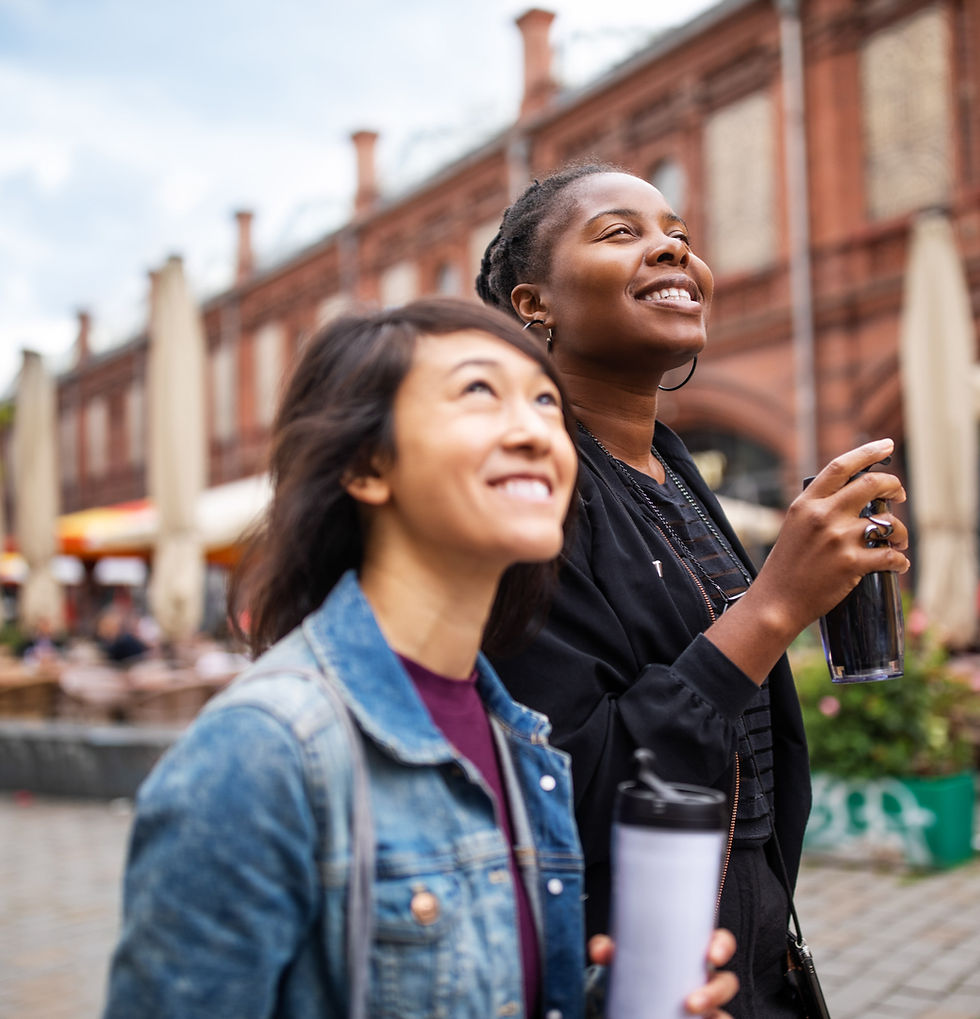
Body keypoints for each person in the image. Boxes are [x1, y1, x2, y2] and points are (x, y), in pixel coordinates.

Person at [103, 297, 737, 1018]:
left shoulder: (519, 738)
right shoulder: (264, 750)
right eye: (479, 392)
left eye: (543, 402)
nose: (536, 431)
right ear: (369, 466)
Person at [476, 164, 910, 1016]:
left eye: (676, 231)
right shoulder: (533, 484)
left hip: (753, 960)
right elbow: (574, 778)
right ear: (536, 304)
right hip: (632, 973)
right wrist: (775, 603)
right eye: (620, 232)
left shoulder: (672, 466)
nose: (672, 245)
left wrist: (816, 580)